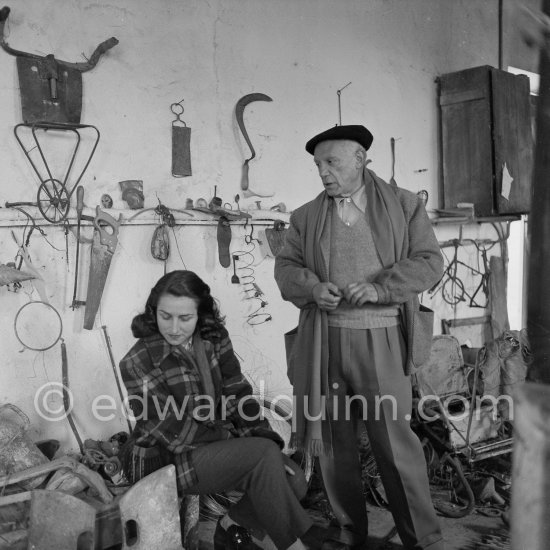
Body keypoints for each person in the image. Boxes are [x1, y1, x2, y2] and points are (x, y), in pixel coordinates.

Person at [274, 125, 445, 550]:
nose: (323, 173)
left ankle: (422, 539)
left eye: (331, 162)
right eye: (318, 165)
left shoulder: (404, 206)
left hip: (382, 340)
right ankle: (351, 532)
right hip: (325, 344)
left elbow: (429, 261)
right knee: (333, 447)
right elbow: (285, 269)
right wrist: (313, 288)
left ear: (361, 160)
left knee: (396, 447)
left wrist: (382, 287)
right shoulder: (305, 217)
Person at [119, 270, 317, 550]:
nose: (174, 327)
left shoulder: (214, 338)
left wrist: (264, 439)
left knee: (294, 479)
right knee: (262, 456)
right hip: (166, 459)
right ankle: (294, 546)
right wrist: (240, 442)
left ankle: (230, 526)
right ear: (154, 312)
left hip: (212, 443)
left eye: (185, 318)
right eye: (165, 316)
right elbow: (172, 430)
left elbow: (237, 392)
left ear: (200, 314)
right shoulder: (137, 360)